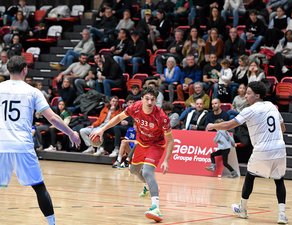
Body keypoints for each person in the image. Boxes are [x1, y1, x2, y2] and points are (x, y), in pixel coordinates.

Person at [0, 55, 80, 225]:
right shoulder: (32, 91)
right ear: (25, 70)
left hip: (1, 144)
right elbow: (53, 119)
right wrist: (71, 133)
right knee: (39, 187)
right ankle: (52, 223)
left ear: (8, 70)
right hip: (22, 145)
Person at [206, 81, 288, 224]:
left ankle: (242, 209)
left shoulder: (250, 110)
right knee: (279, 180)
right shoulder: (271, 106)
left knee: (250, 176)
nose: (246, 97)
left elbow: (229, 125)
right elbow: (283, 128)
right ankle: (282, 214)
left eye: (249, 93)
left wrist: (213, 125)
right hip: (280, 147)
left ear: (257, 96)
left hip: (262, 148)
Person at [90, 86, 174, 222]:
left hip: (156, 145)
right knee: (134, 170)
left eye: (153, 99)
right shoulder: (135, 107)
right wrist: (102, 129)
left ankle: (156, 207)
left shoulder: (161, 116)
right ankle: (148, 186)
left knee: (147, 172)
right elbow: (118, 118)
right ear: (142, 99)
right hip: (141, 143)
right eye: (147, 99)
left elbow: (170, 141)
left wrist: (166, 160)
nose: (150, 102)